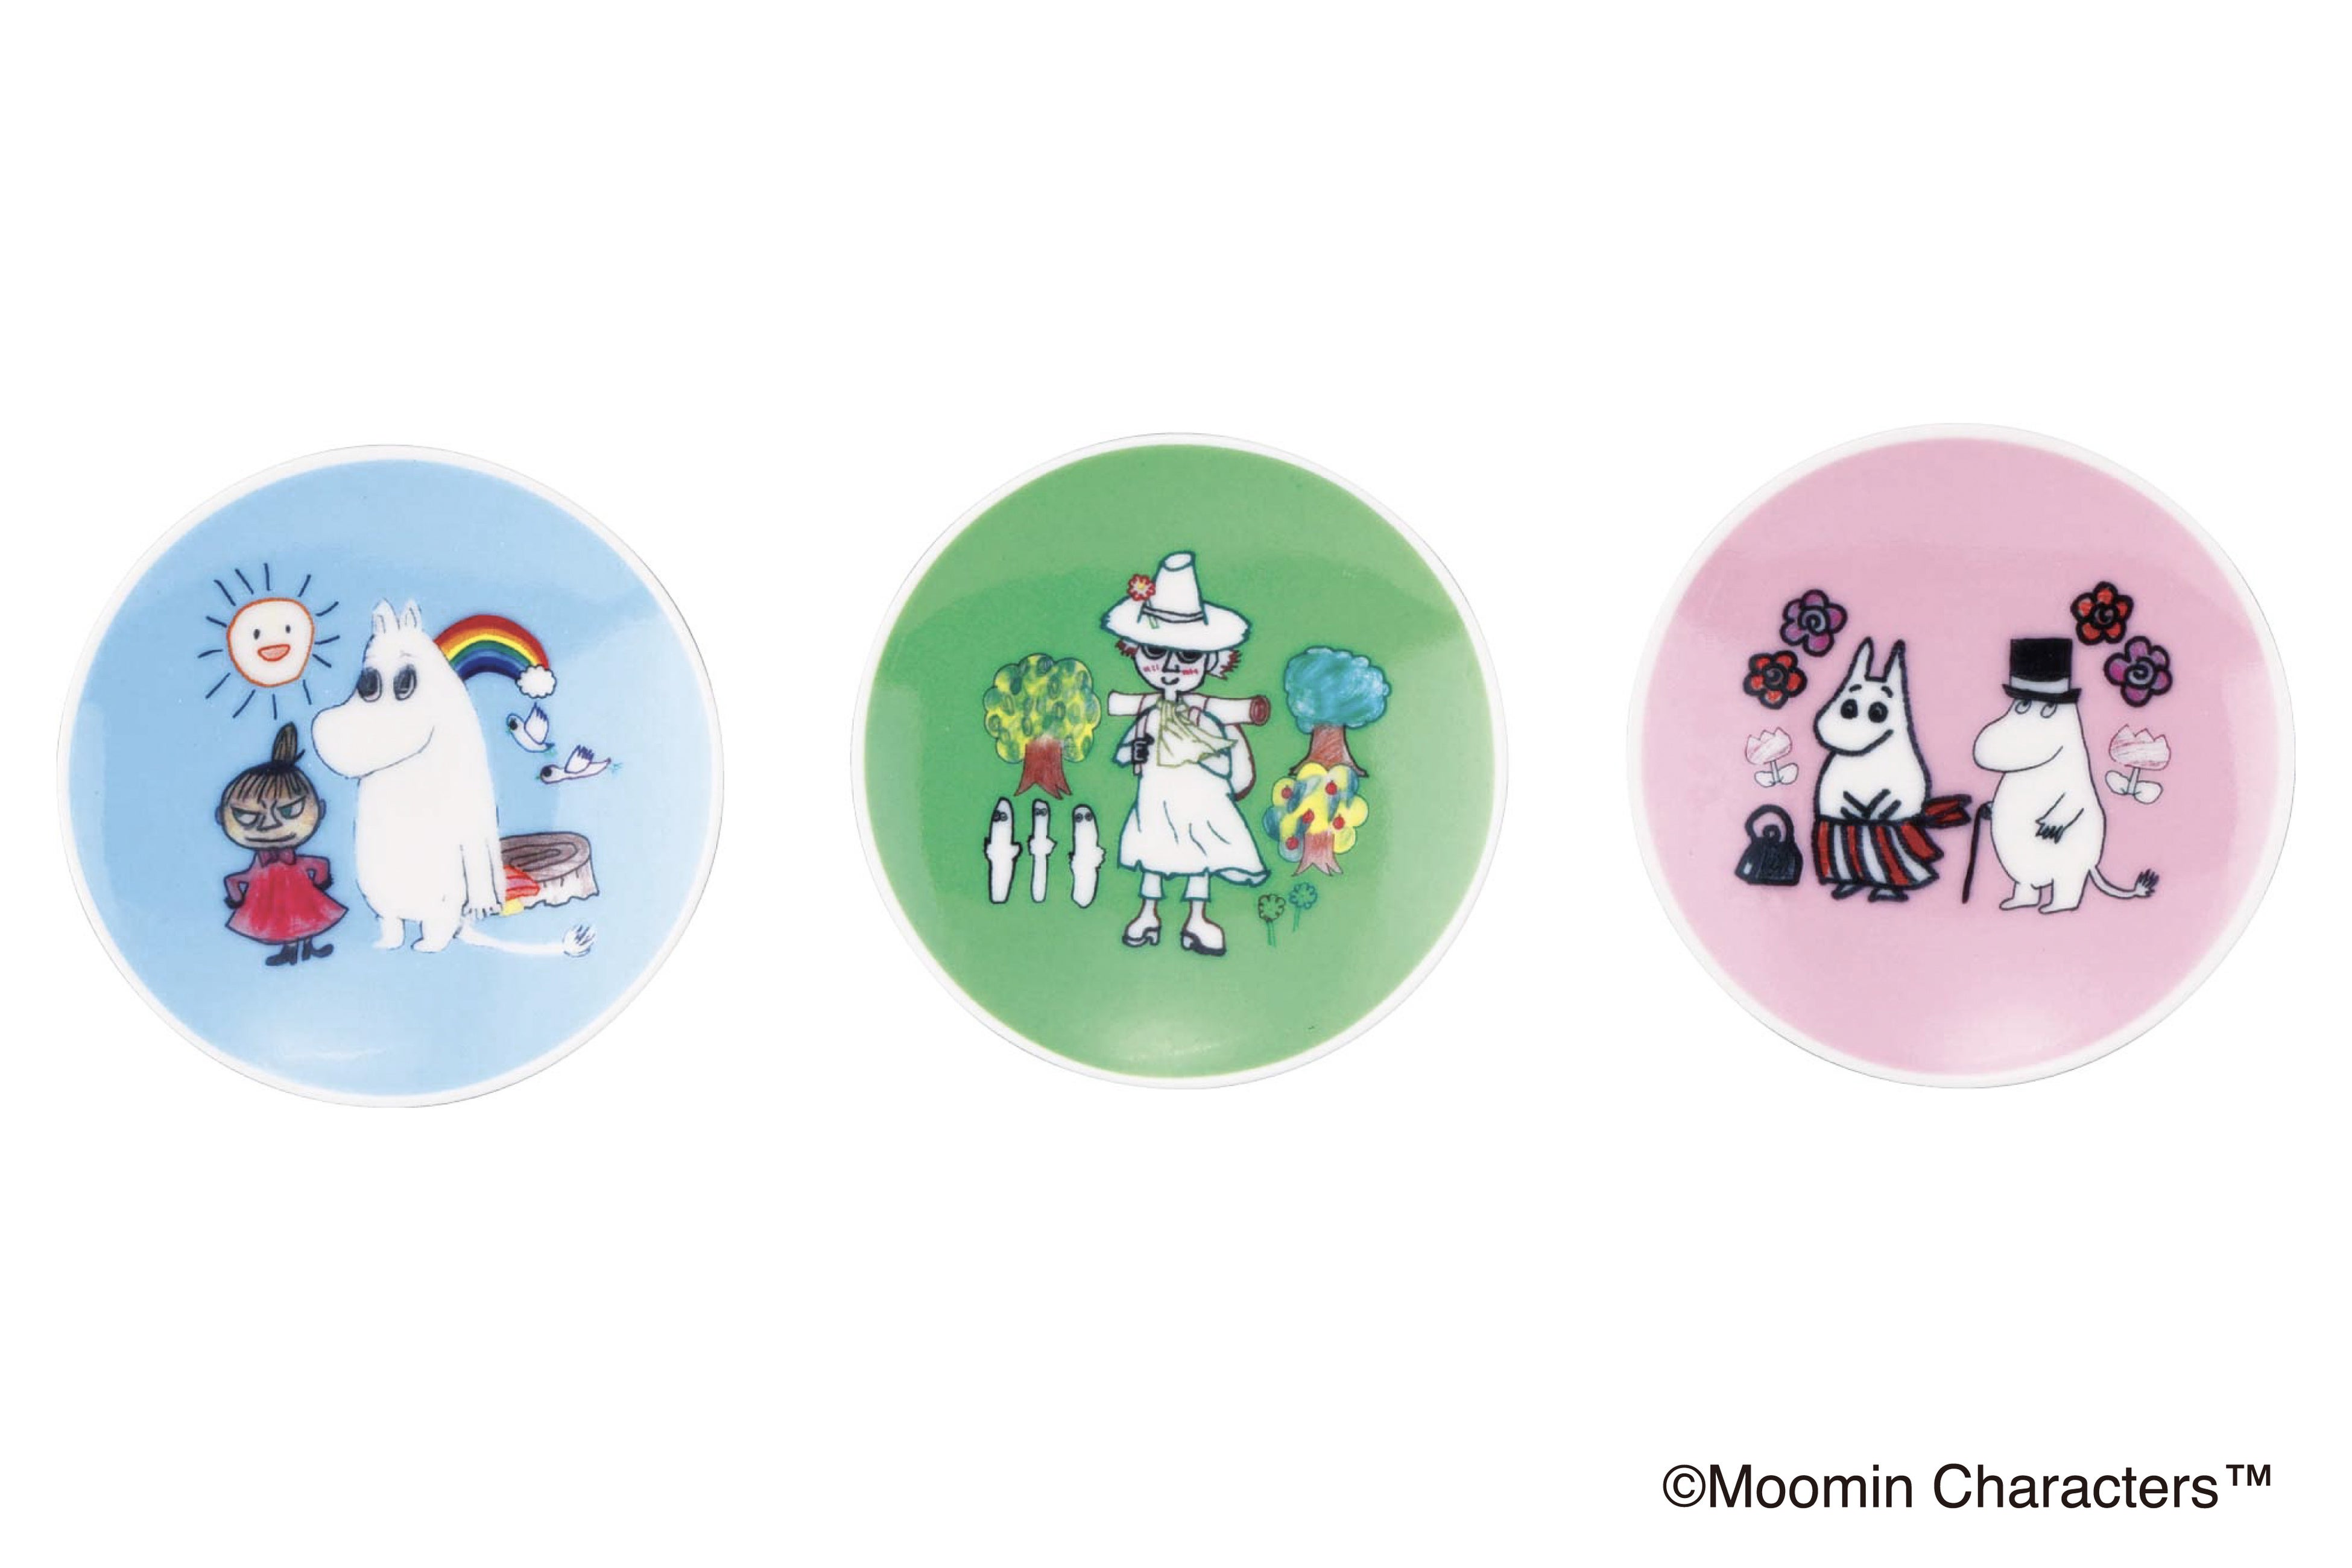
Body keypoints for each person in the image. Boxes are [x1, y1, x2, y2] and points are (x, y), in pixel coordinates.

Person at [1101, 552, 1271, 956]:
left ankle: (1197, 918)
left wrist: (1225, 768)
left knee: (1201, 851)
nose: (1171, 667)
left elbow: (1228, 757)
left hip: (1200, 797)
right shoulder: (1151, 712)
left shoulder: (1206, 715)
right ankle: (1148, 913)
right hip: (1156, 795)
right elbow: (1130, 752)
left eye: (1189, 656)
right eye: (1155, 652)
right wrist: (1137, 751)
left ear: (1212, 661)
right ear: (1134, 650)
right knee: (1153, 847)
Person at [218, 722, 344, 966]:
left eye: (289, 811)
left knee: (305, 915)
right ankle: (290, 951)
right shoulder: (263, 862)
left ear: (320, 809)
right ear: (221, 818)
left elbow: (318, 864)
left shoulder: (283, 859)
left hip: (298, 890)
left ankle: (308, 948)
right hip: (277, 894)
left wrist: (236, 895)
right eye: (246, 816)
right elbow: (319, 864)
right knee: (286, 919)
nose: (270, 825)